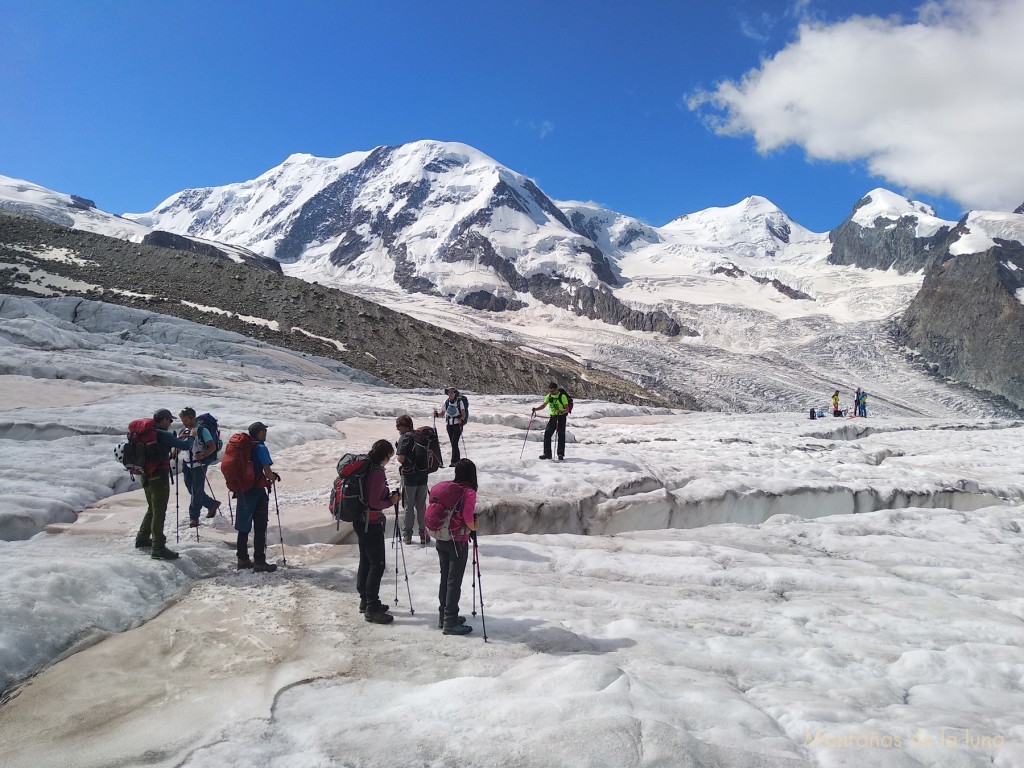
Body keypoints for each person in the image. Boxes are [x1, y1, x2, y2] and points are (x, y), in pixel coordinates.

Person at [135, 408, 194, 560]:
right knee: (159, 511)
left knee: (152, 508)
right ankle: (158, 547)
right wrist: (192, 437)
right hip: (159, 478)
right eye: (169, 420)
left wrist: (178, 439)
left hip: (145, 475)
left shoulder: (147, 434)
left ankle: (142, 539)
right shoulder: (163, 434)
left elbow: (171, 445)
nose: (170, 423)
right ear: (163, 419)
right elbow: (187, 446)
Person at [428, 458, 478, 636]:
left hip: (441, 538)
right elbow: (468, 517)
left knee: (445, 577)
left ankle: (444, 616)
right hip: (457, 541)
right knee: (453, 581)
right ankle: (450, 621)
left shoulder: (444, 488)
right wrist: (474, 527)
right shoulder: (468, 492)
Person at [357, 439, 402, 624]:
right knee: (377, 564)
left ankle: (365, 601)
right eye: (389, 457)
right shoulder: (376, 472)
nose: (389, 460)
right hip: (370, 522)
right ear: (384, 456)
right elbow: (374, 502)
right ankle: (372, 608)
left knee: (366, 561)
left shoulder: (366, 466)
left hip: (361, 521)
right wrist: (390, 502)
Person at [235, 422, 281, 573]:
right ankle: (259, 562)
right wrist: (274, 477)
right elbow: (267, 473)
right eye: (264, 431)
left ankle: (242, 559)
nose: (265, 433)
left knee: (243, 526)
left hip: (242, 489)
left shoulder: (243, 448)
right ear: (260, 433)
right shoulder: (260, 447)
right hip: (257, 491)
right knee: (260, 527)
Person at [178, 407, 221, 527]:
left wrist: (203, 455)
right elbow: (182, 445)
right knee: (191, 489)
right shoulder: (184, 430)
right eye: (183, 420)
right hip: (187, 463)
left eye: (186, 420)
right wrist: (177, 447)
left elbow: (212, 446)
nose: (184, 423)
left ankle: (194, 517)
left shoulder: (203, 430)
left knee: (196, 492)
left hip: (199, 464)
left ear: (193, 418)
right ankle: (211, 504)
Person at [395, 415, 429, 546]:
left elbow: (401, 459)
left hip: (410, 476)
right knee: (421, 505)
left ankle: (407, 535)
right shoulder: (419, 435)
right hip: (423, 474)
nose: (398, 429)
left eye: (399, 426)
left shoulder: (405, 437)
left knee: (409, 506)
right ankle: (423, 533)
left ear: (405, 426)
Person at [531, 382, 569, 461]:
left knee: (561, 435)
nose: (551, 392)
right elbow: (543, 405)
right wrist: (536, 409)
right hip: (553, 418)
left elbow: (567, 409)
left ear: (556, 389)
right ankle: (547, 454)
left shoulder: (562, 396)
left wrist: (561, 412)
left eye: (552, 391)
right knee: (547, 434)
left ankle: (560, 454)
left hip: (561, 418)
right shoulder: (549, 396)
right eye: (550, 391)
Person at [433, 387, 466, 467]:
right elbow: (442, 414)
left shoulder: (459, 402)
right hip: (449, 425)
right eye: (449, 393)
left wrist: (461, 419)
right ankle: (457, 461)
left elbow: (463, 413)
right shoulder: (446, 402)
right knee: (453, 443)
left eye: (452, 392)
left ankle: (454, 462)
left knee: (454, 442)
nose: (450, 394)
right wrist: (437, 415)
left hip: (457, 425)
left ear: (455, 393)